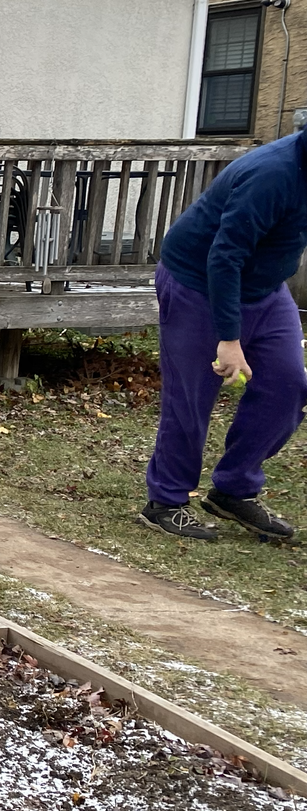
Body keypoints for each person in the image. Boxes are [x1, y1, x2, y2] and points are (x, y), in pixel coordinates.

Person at [140, 125, 307, 542]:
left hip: (266, 288)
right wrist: (229, 339)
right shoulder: (273, 174)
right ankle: (166, 501)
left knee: (288, 385)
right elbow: (225, 255)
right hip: (198, 282)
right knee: (191, 396)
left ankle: (233, 489)